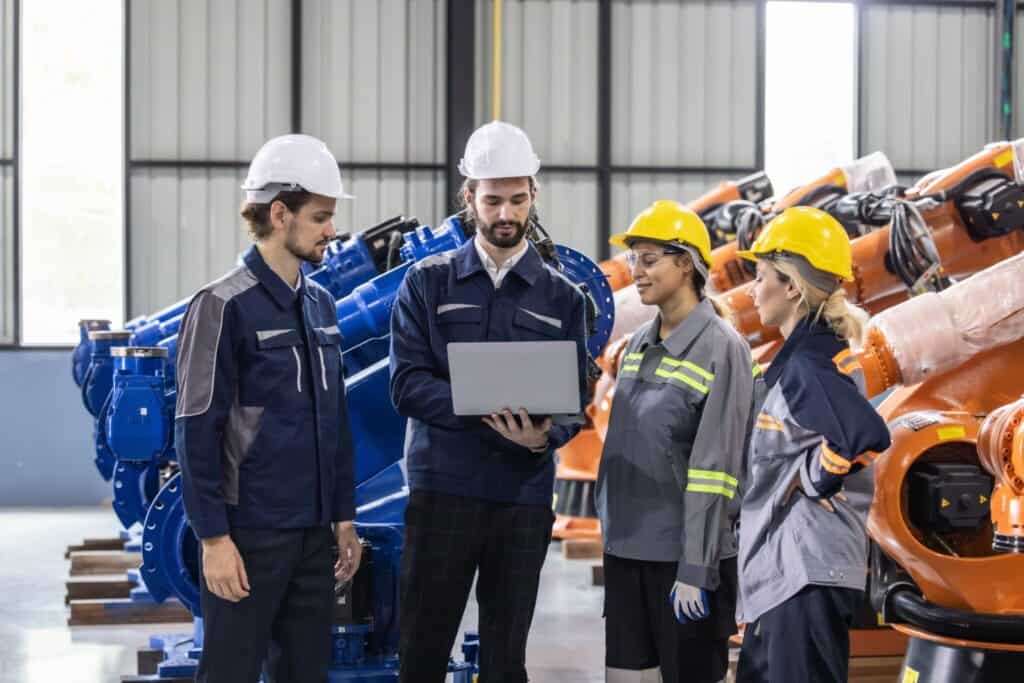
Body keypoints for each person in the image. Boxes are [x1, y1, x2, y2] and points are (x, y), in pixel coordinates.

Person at [388, 120, 589, 682]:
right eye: (493, 200)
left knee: (506, 660)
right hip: (443, 491)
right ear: (468, 198)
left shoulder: (563, 297)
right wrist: (488, 418)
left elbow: (578, 395)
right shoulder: (427, 284)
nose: (506, 214)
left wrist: (545, 436)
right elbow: (406, 384)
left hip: (521, 499)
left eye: (518, 200)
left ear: (534, 197)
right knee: (422, 650)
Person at [175, 133, 363, 683]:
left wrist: (343, 518)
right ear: (280, 214)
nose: (332, 230)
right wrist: (213, 540)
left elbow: (336, 422)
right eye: (321, 217)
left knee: (306, 673)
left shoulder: (321, 303)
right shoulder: (220, 305)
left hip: (313, 537)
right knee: (230, 672)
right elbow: (195, 430)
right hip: (248, 535)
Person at [595, 200, 761, 683]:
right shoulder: (640, 344)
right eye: (633, 261)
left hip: (682, 562)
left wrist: (697, 568)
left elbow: (718, 468)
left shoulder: (722, 348)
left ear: (685, 263)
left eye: (649, 260)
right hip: (627, 553)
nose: (637, 274)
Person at [734, 206, 892, 683]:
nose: (751, 290)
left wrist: (815, 478)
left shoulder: (809, 366)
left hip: (805, 573)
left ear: (792, 287)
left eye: (760, 276)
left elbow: (865, 433)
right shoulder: (805, 356)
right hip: (786, 573)